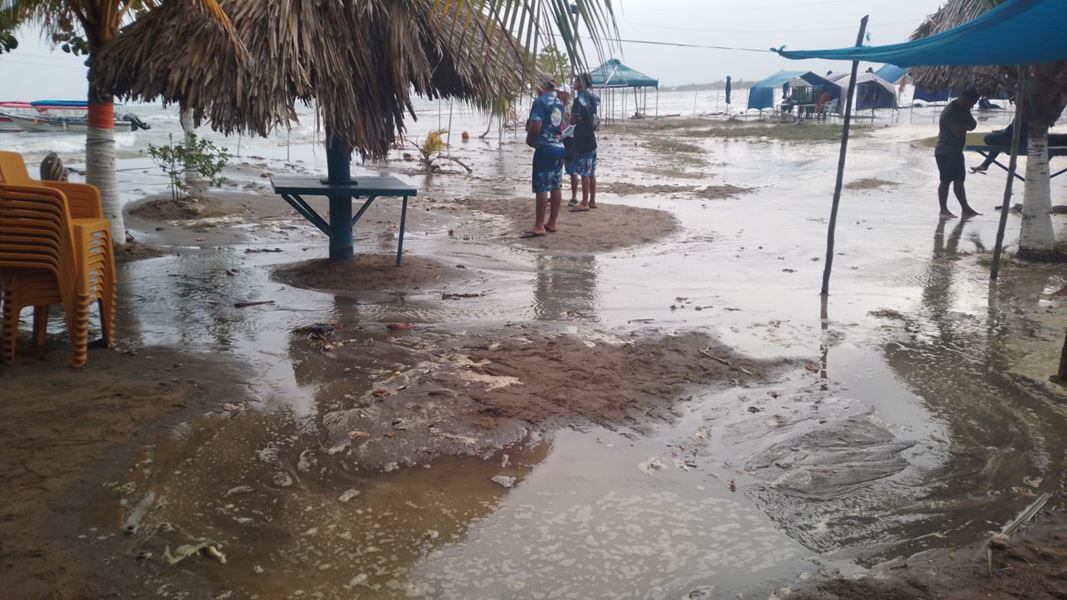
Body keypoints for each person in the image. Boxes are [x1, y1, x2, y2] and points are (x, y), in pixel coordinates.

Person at [523, 76, 566, 237]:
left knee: (542, 185)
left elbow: (536, 125)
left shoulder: (540, 102)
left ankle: (539, 225)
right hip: (559, 146)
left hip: (545, 147)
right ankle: (552, 222)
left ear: (541, 86)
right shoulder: (560, 103)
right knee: (555, 185)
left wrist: (530, 140)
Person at [934, 87, 981, 219]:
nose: (973, 106)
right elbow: (958, 131)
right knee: (946, 181)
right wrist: (967, 125)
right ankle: (943, 210)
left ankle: (965, 208)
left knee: (959, 180)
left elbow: (973, 124)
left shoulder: (964, 108)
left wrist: (966, 125)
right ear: (965, 98)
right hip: (945, 151)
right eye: (972, 102)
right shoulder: (951, 111)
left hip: (956, 150)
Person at [570, 72, 598, 212]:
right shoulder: (592, 98)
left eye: (576, 80)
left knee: (585, 173)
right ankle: (592, 200)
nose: (574, 82)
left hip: (582, 138)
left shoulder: (578, 100)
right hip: (591, 138)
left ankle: (584, 202)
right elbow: (593, 119)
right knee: (591, 172)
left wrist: (569, 117)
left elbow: (573, 120)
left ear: (581, 83)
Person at [557, 84, 580, 208]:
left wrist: (563, 135)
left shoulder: (571, 106)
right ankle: (556, 194)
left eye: (562, 93)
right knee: (557, 168)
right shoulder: (557, 106)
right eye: (559, 93)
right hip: (559, 140)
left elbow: (572, 125)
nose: (560, 95)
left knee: (572, 170)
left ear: (567, 94)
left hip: (570, 140)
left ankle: (574, 196)